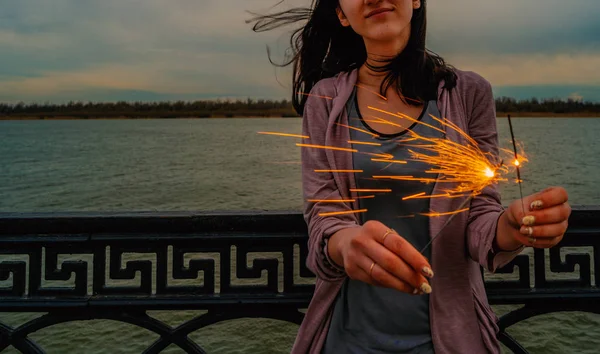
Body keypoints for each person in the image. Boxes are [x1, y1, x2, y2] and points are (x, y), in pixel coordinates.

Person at [249, 1, 571, 353]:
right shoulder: (324, 100)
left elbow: (480, 217)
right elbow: (324, 215)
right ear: (341, 13)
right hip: (345, 338)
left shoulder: (468, 95)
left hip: (450, 340)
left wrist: (511, 227)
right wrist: (346, 244)